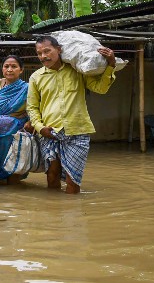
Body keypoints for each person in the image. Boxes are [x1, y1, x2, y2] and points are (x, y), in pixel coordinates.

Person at [27, 35, 117, 194]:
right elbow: (32, 107)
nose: (43, 56)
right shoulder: (36, 77)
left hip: (77, 131)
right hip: (50, 132)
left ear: (59, 50)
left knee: (73, 181)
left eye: (47, 51)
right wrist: (40, 128)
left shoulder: (77, 71)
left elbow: (100, 88)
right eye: (39, 53)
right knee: (52, 176)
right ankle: (54, 213)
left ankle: (72, 214)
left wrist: (111, 65)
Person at [0, 55, 33, 184]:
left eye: (14, 66)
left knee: (12, 161)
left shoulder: (27, 88)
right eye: (6, 66)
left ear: (21, 70)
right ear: (2, 69)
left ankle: (8, 181)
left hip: (15, 130)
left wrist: (30, 122)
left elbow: (36, 108)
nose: (9, 69)